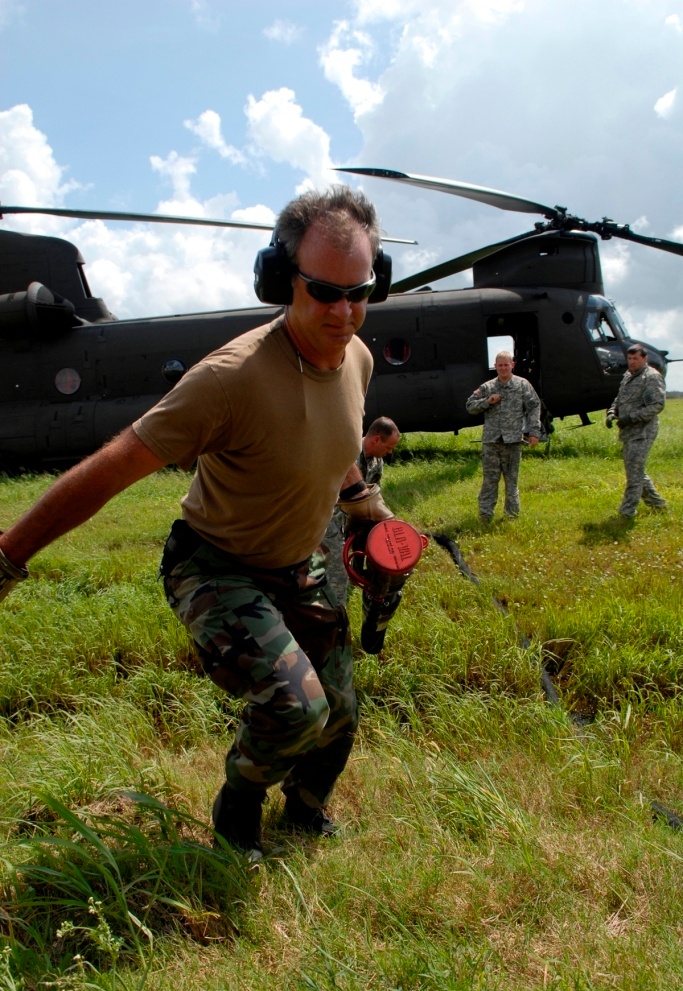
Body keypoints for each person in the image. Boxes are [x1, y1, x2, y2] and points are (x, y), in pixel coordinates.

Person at [0, 185, 394, 862]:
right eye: (324, 292)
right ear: (280, 280)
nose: (344, 310)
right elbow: (112, 466)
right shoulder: (229, 378)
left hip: (296, 567)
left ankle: (304, 809)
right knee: (294, 709)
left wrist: (364, 508)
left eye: (359, 292)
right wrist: (9, 557)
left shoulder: (354, 357)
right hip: (213, 565)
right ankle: (237, 808)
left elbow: (336, 444)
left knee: (340, 715)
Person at [323, 416, 401, 604]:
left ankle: (355, 579)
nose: (389, 452)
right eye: (388, 447)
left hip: (357, 522)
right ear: (376, 440)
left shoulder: (377, 462)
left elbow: (373, 495)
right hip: (331, 523)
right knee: (334, 571)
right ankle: (335, 608)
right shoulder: (347, 453)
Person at [466, 351, 541, 521]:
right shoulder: (487, 387)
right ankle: (485, 515)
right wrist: (487, 402)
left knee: (511, 482)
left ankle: (512, 516)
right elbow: (469, 406)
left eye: (506, 365)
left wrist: (534, 431)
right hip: (491, 443)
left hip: (513, 442)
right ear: (495, 366)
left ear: (512, 365)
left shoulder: (523, 385)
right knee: (490, 481)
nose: (503, 368)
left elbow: (534, 406)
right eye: (500, 365)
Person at [606, 343, 667, 517]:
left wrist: (631, 418)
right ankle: (658, 505)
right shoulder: (627, 376)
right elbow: (619, 398)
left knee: (634, 475)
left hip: (643, 432)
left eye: (636, 359)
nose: (632, 362)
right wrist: (612, 412)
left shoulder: (652, 377)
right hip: (628, 432)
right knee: (636, 471)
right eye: (629, 358)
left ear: (645, 359)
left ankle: (627, 512)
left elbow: (657, 405)